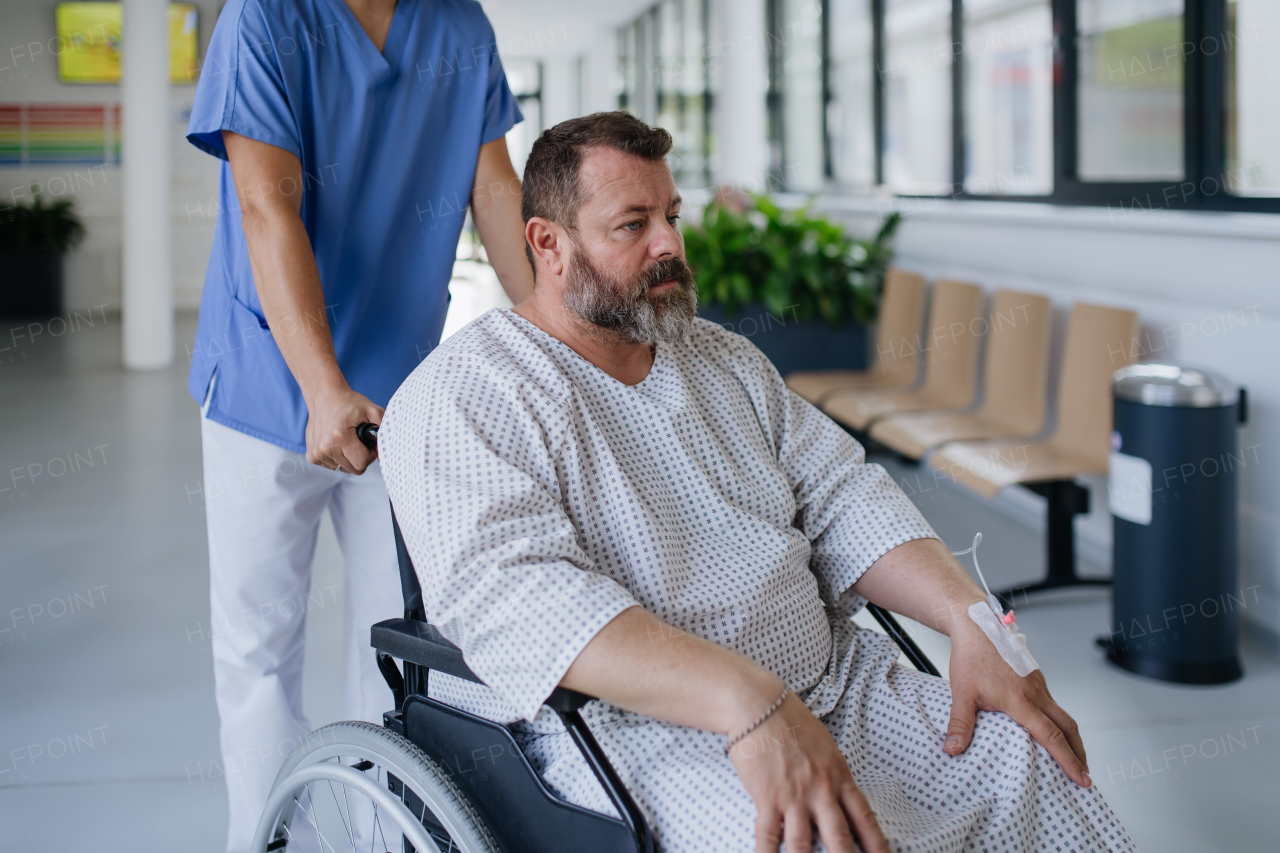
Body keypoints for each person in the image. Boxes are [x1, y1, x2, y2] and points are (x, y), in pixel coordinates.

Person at [378, 112, 1136, 853]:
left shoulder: (722, 359)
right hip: (642, 734)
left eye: (671, 214)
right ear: (548, 244)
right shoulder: (464, 395)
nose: (671, 243)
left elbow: (843, 495)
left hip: (834, 685)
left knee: (1034, 757)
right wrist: (745, 699)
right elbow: (521, 598)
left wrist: (967, 615)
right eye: (632, 224)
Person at [183, 1, 533, 848]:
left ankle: (382, 838)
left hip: (403, 400)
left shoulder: (458, 26)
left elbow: (496, 192)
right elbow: (267, 204)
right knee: (260, 656)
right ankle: (268, 840)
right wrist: (323, 385)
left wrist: (562, 347)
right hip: (268, 389)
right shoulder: (264, 20)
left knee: (403, 651)